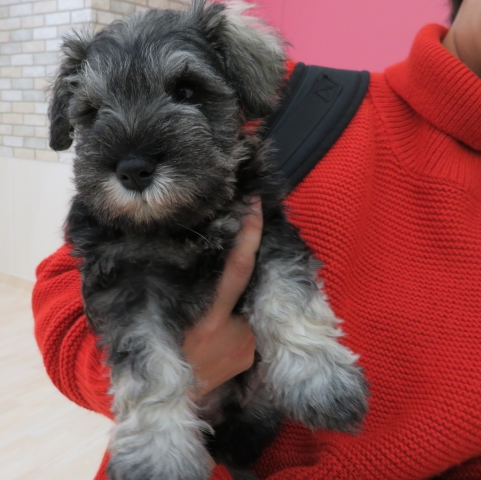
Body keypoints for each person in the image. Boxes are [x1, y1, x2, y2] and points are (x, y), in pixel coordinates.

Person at [32, 0, 481, 477]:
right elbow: (63, 298)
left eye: (185, 92)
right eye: (94, 110)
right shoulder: (315, 100)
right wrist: (163, 385)